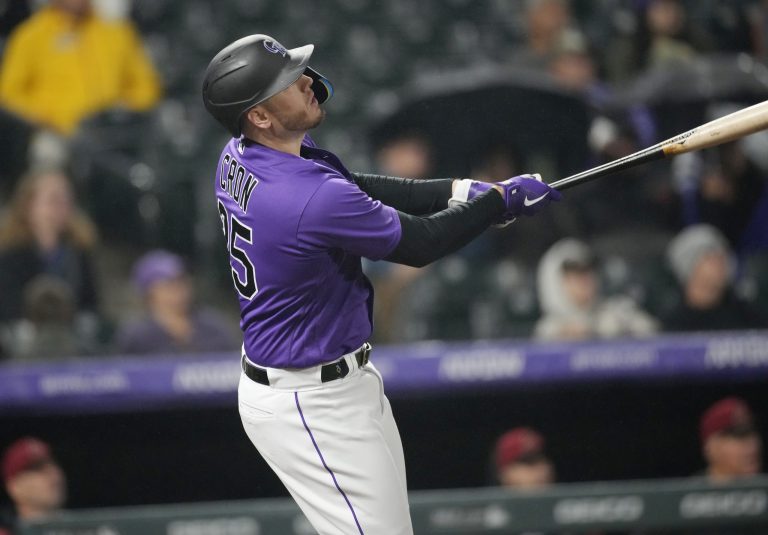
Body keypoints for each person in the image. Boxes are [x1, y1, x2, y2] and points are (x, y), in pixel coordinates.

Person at [201, 34, 560, 534]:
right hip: (310, 402)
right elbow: (419, 244)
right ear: (259, 115)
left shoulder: (241, 153)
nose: (307, 82)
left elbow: (354, 187)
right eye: (288, 82)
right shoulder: (304, 197)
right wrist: (497, 203)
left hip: (326, 381)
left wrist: (463, 192)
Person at [0, 0, 161, 136]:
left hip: (109, 136)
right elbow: (8, 94)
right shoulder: (31, 36)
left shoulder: (116, 33)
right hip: (54, 136)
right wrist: (42, 115)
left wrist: (123, 110)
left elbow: (146, 88)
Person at [0, 169, 100, 335]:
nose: (62, 207)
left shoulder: (79, 253)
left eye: (67, 200)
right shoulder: (9, 255)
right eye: (54, 200)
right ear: (29, 204)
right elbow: (8, 307)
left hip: (70, 336)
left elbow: (91, 305)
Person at [115, 250, 237, 355]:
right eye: (168, 284)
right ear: (149, 292)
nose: (178, 288)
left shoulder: (212, 327)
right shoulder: (137, 336)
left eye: (182, 280)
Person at [534, 238, 658, 340]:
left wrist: (621, 332)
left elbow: (653, 334)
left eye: (588, 271)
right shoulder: (549, 329)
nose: (584, 280)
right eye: (574, 274)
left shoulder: (618, 312)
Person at [662, 224, 765, 332]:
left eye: (723, 257)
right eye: (711, 258)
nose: (722, 264)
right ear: (691, 266)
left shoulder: (746, 317)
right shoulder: (672, 324)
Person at [1, 437, 66, 524]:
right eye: (36, 468)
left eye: (53, 464)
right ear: (14, 487)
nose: (53, 473)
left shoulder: (80, 527)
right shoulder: (5, 529)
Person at [700, 397, 762, 482]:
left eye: (751, 434)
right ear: (711, 447)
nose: (752, 445)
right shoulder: (688, 489)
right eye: (738, 437)